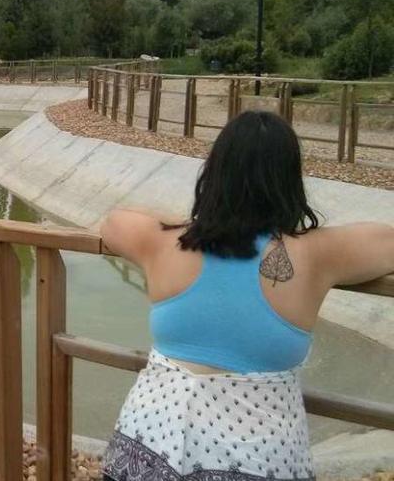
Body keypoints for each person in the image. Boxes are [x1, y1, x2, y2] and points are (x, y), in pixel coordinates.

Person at [97, 111, 394, 481]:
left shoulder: (165, 242)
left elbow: (114, 221)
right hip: (259, 457)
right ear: (289, 179)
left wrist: (198, 220)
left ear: (215, 172)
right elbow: (387, 240)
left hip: (149, 446)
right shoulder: (316, 254)